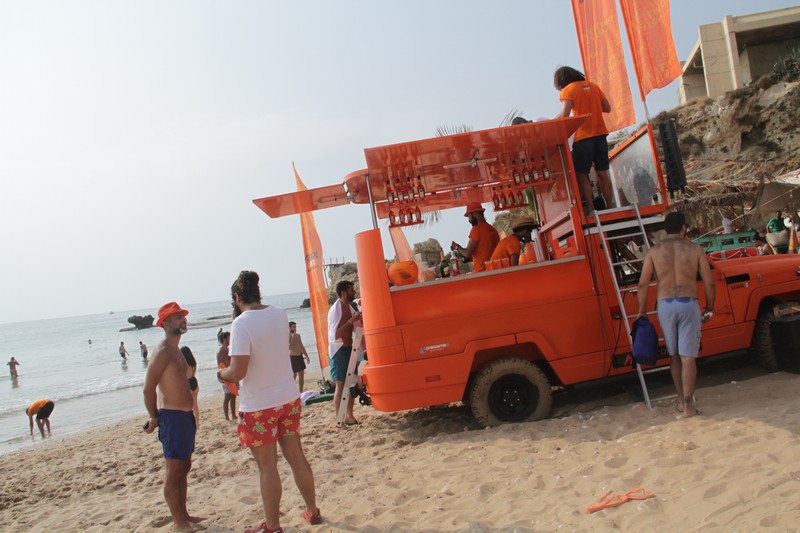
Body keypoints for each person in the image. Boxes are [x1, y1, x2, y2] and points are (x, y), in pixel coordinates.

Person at [219, 270, 321, 532]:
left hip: (259, 405)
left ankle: (273, 526)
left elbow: (238, 372)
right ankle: (312, 510)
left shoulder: (241, 324)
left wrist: (221, 374)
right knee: (296, 456)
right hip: (287, 397)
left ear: (236, 297)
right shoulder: (279, 313)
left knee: (267, 467)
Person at [636, 212, 715, 418]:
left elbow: (643, 283)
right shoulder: (695, 249)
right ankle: (689, 406)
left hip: (665, 305)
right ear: (684, 228)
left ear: (665, 229)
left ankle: (680, 401)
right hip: (689, 303)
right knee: (688, 357)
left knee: (674, 356)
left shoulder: (654, 251)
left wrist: (642, 311)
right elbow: (709, 282)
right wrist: (709, 308)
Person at [142, 302, 204, 532]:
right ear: (165, 323)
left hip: (185, 417)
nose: (183, 320)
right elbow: (148, 388)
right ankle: (179, 523)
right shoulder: (163, 351)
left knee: (184, 466)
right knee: (174, 470)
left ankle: (185, 515)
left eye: (183, 317)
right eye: (178, 318)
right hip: (172, 417)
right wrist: (154, 417)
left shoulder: (177, 349)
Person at [553, 65, 613, 215]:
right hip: (601, 134)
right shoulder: (594, 86)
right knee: (603, 172)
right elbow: (607, 108)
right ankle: (611, 206)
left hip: (583, 137)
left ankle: (592, 209)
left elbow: (565, 114)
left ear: (561, 81)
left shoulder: (569, 90)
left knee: (581, 173)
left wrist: (550, 122)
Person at [327, 280, 361, 426]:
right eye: (351, 290)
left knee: (351, 383)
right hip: (338, 350)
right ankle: (339, 419)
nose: (354, 292)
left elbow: (356, 328)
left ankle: (349, 416)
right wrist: (350, 321)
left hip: (350, 349)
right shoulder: (336, 309)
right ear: (344, 293)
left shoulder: (350, 307)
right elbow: (335, 334)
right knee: (340, 385)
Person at [450, 202, 501, 273]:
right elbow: (488, 252)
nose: (469, 220)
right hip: (494, 270)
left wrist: (457, 247)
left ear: (474, 214)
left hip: (481, 272)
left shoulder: (476, 229)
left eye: (469, 216)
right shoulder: (493, 229)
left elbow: (467, 253)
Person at [216, 331, 237, 421]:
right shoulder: (220, 352)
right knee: (227, 396)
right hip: (225, 375)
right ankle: (227, 416)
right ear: (224, 339)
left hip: (232, 374)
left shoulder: (229, 350)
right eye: (229, 338)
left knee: (233, 396)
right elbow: (220, 366)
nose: (230, 339)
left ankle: (233, 414)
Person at [180, 346, 200, 430]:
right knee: (195, 406)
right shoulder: (193, 363)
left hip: (187, 384)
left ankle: (187, 423)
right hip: (194, 382)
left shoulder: (184, 365)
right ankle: (197, 423)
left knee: (185, 407)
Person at [289, 321, 311, 392]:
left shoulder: (298, 335)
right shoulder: (287, 337)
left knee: (301, 374)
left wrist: (306, 356)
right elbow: (288, 347)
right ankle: (291, 391)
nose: (295, 328)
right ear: (289, 328)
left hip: (299, 356)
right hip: (293, 357)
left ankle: (301, 391)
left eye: (295, 327)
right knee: (294, 375)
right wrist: (292, 337)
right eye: (293, 327)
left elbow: (301, 346)